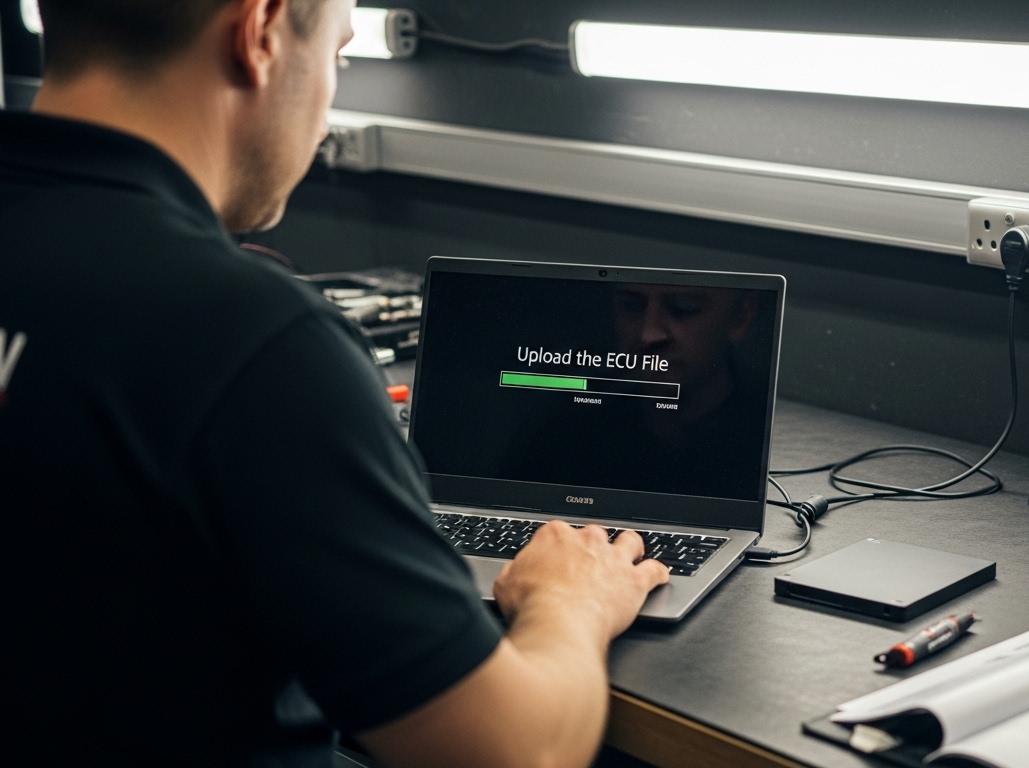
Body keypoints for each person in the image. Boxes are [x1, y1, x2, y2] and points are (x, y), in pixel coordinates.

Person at [0, 0, 669, 765]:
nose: (328, 107)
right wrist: (570, 603)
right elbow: (518, 752)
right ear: (259, 32)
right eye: (340, 52)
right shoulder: (252, 340)